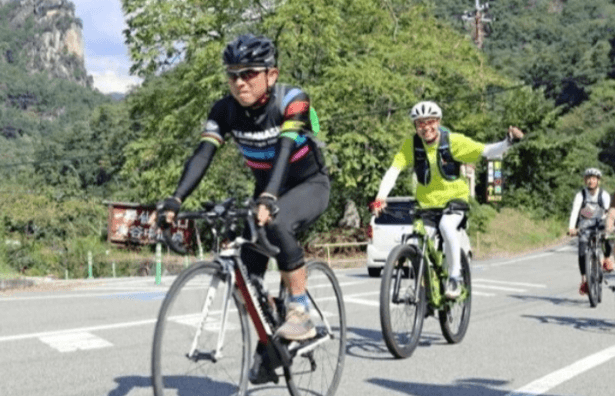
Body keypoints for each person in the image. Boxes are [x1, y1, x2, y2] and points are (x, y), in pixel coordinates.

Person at [155, 34, 330, 381]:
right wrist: (175, 200)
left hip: (308, 185)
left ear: (272, 74)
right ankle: (270, 344)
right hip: (266, 189)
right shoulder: (224, 110)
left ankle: (299, 309)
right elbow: (203, 154)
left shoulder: (293, 101)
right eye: (233, 74)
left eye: (249, 73)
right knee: (242, 275)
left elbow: (284, 149)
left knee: (277, 223)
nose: (240, 81)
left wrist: (268, 199)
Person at [371, 101, 524, 298]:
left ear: (438, 121)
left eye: (430, 122)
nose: (425, 128)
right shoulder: (411, 145)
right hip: (427, 205)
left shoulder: (453, 141)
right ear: (415, 126)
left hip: (455, 201)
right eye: (420, 124)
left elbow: (486, 151)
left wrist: (508, 141)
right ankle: (425, 285)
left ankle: (454, 277)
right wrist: (380, 197)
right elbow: (394, 170)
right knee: (419, 240)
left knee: (446, 226)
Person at [567, 167, 612, 296]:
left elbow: (609, 212)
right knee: (582, 250)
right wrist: (571, 228)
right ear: (585, 180)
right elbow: (575, 211)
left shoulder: (604, 195)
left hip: (601, 222)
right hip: (585, 225)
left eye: (593, 178)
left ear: (598, 180)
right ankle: (584, 280)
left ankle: (607, 259)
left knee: (606, 237)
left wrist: (607, 226)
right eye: (588, 178)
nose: (591, 181)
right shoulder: (580, 195)